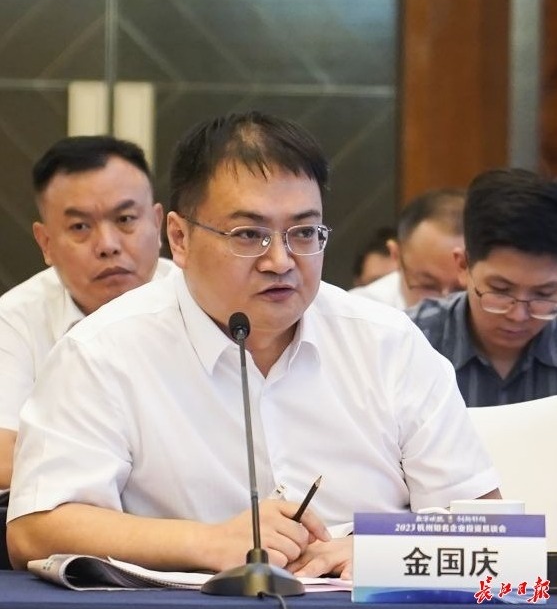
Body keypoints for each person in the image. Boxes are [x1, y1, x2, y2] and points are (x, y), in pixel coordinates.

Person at [7, 112, 499, 577]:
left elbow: (486, 525)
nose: (281, 261)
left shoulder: (388, 342)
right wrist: (205, 542)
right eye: (248, 234)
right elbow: (36, 529)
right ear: (179, 238)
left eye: (304, 232)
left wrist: (380, 547)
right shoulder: (102, 350)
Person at [0, 135, 176, 490]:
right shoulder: (15, 319)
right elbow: (3, 458)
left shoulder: (207, 301)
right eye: (80, 227)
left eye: (125, 219)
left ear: (157, 224)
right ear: (46, 243)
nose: (108, 245)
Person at [407, 168, 557, 407]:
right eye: (501, 290)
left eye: (543, 294)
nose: (518, 315)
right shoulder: (409, 342)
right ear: (463, 266)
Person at [350, 189, 466, 308]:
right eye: (428, 286)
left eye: (462, 289)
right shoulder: (360, 310)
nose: (445, 303)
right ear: (396, 255)